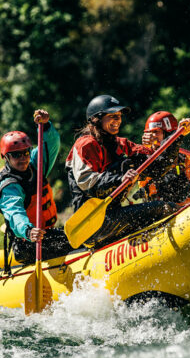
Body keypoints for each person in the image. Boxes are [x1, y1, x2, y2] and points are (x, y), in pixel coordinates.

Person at [66, 95, 181, 247]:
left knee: (165, 205)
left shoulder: (122, 144)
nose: (118, 120)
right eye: (112, 116)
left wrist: (176, 136)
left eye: (119, 116)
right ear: (96, 119)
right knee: (164, 208)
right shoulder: (85, 144)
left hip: (115, 215)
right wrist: (119, 178)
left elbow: (156, 166)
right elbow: (89, 185)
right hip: (93, 225)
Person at [0, 109, 71, 265]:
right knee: (70, 245)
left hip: (47, 233)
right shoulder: (8, 186)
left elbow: (50, 145)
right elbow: (15, 213)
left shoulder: (35, 165)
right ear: (6, 157)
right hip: (26, 243)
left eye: (25, 152)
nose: (22, 158)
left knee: (80, 238)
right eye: (16, 155)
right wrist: (28, 230)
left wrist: (46, 125)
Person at [139, 111, 190, 205]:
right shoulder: (144, 158)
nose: (152, 136)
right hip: (159, 212)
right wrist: (145, 150)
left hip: (185, 211)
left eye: (156, 132)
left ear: (168, 135)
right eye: (149, 133)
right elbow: (155, 168)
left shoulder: (185, 158)